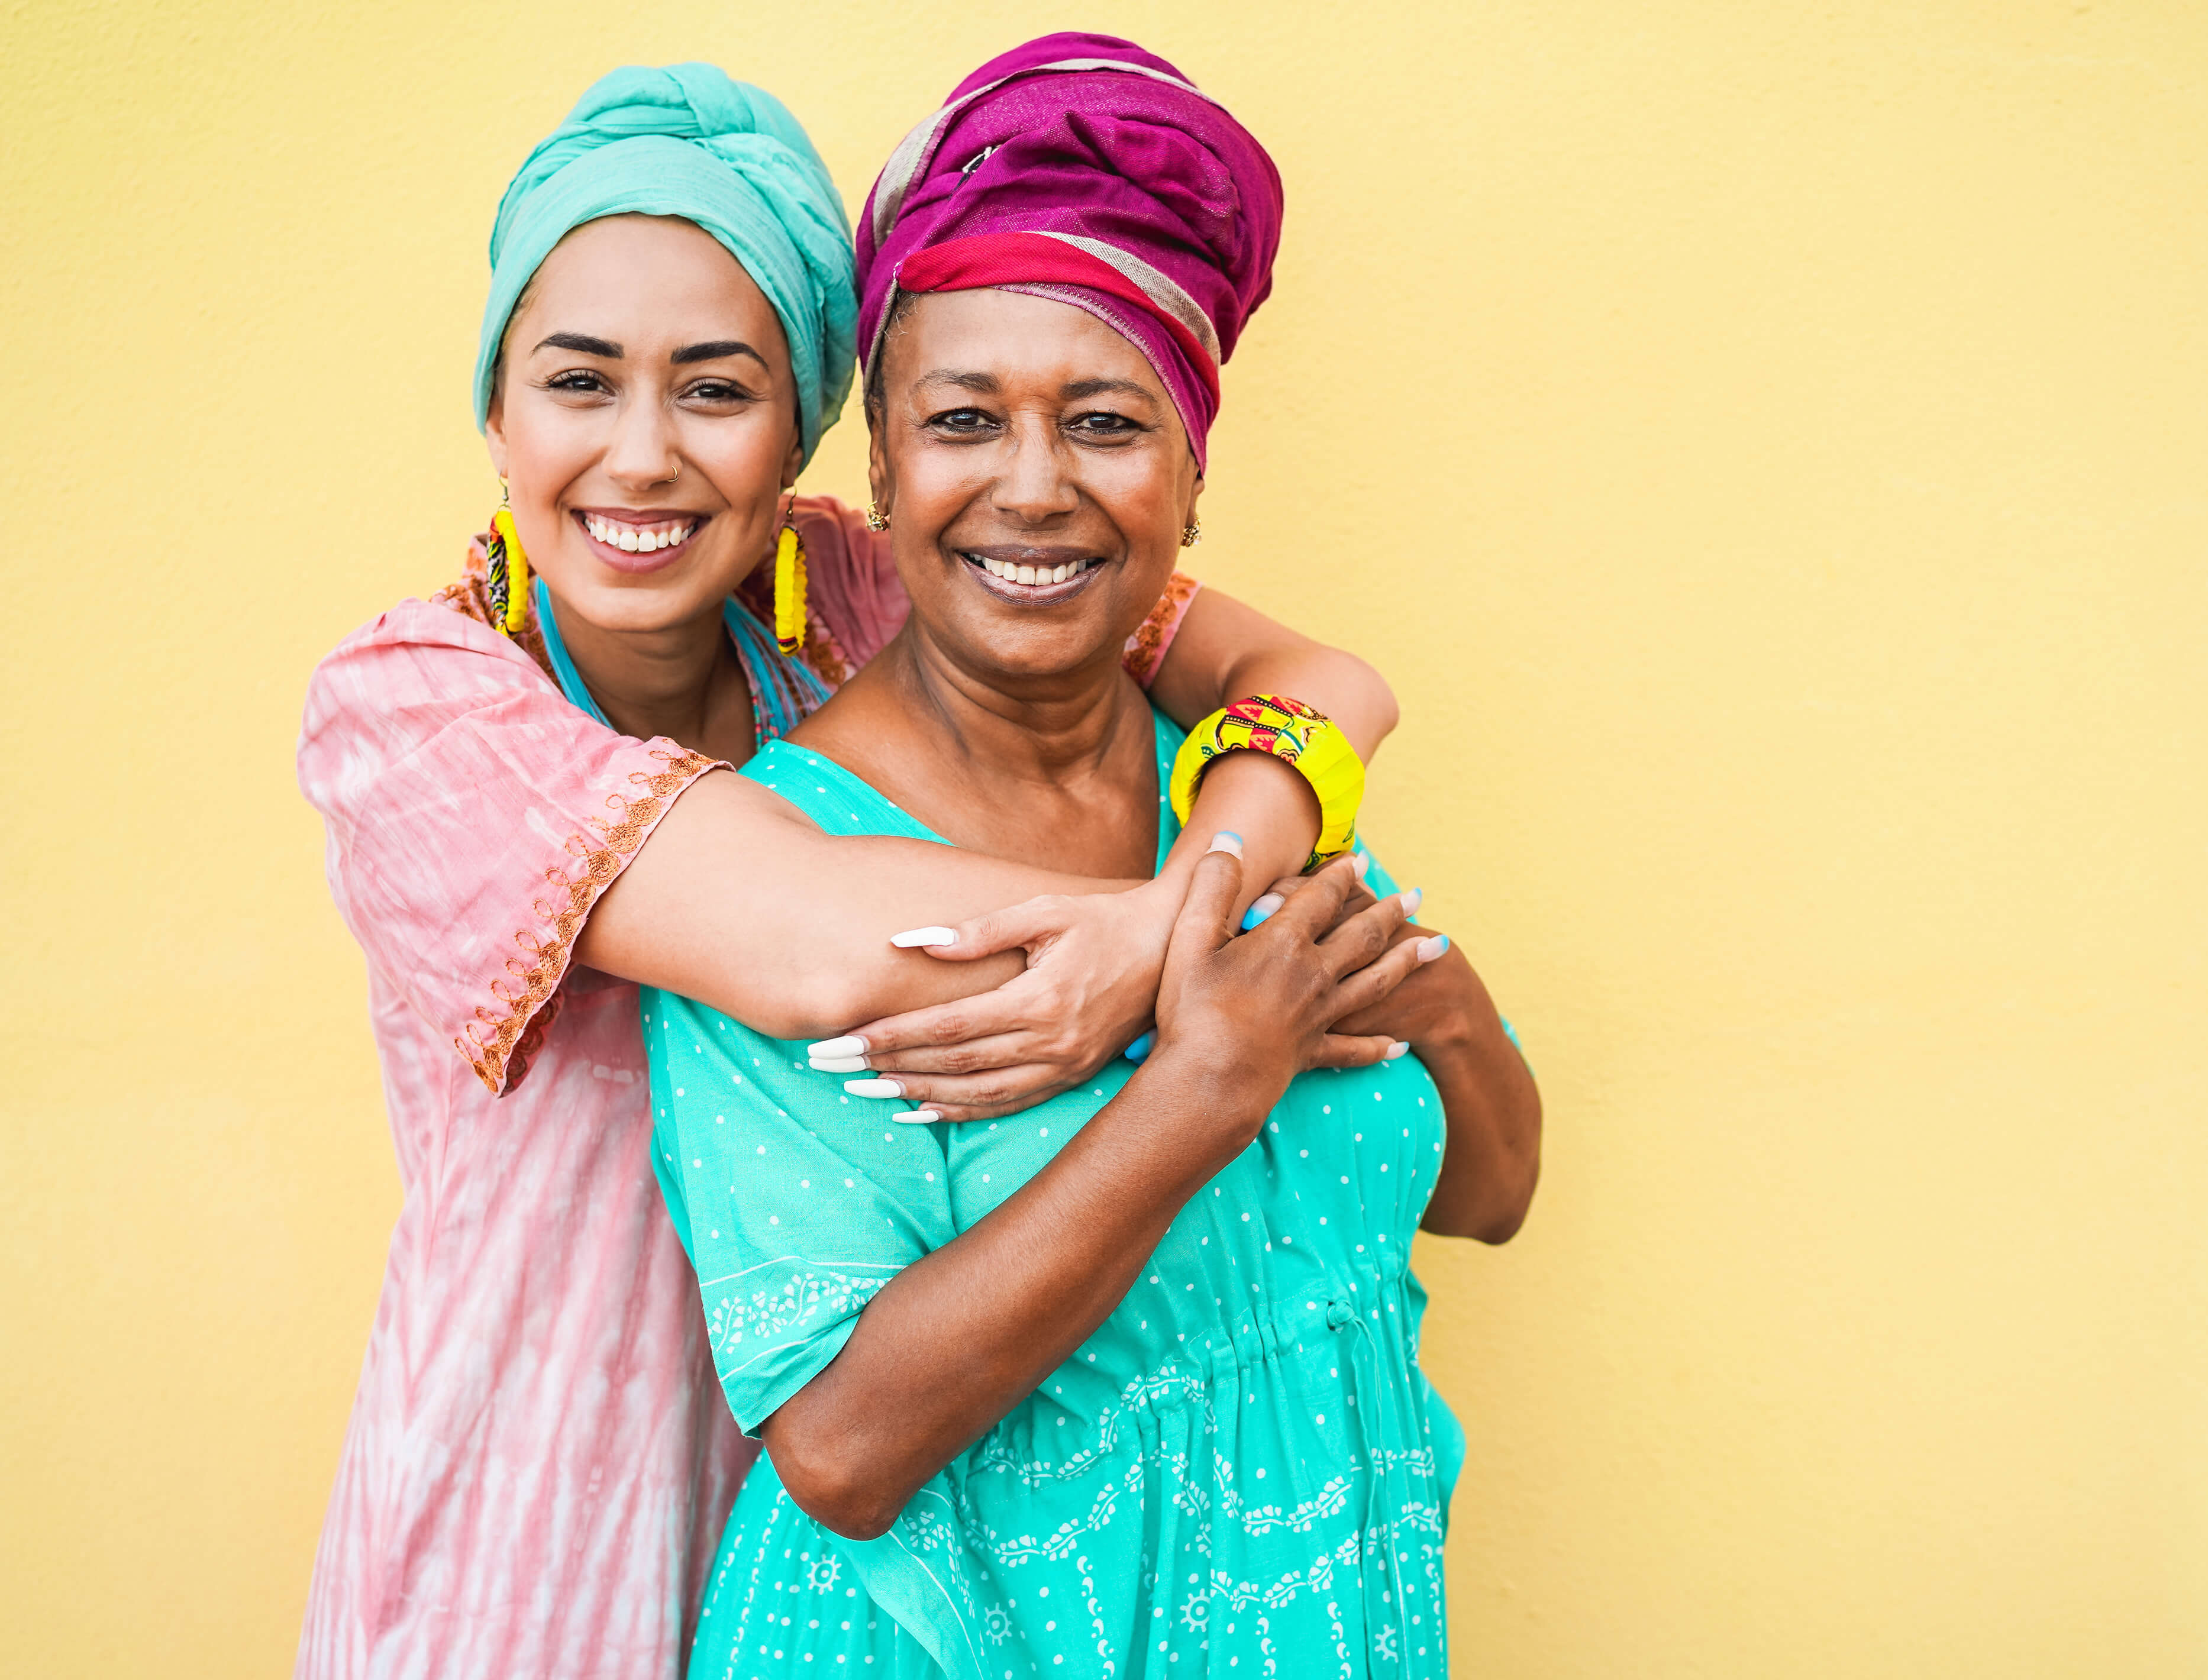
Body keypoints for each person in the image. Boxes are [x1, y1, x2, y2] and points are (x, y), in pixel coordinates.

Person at [295, 63, 1406, 1680]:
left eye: (717, 388)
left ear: (817, 427)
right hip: (543, 1490)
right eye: (578, 382)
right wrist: (1218, 948)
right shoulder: (416, 701)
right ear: (496, 409)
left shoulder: (868, 588)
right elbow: (809, 939)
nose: (642, 457)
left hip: (868, 1498)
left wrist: (1200, 900)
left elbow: (1318, 681)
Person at [647, 37, 1542, 1679]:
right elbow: (839, 1454)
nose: (1033, 488)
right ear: (886, 472)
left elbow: (1487, 1192)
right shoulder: (778, 865)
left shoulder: (1237, 785)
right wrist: (1204, 1081)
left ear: (1190, 482)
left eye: (1106, 423)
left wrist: (1426, 985)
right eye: (965, 421)